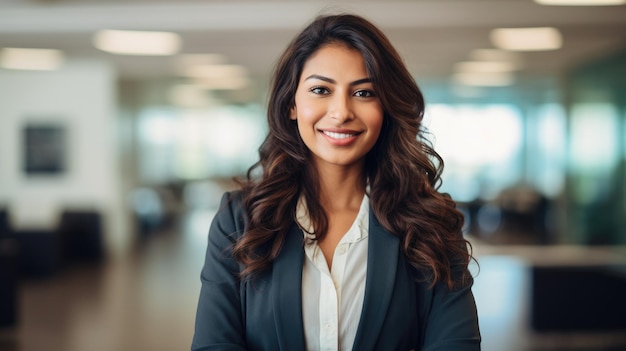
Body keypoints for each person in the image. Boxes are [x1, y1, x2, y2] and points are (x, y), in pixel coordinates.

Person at [191, 13, 481, 351]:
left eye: (363, 92)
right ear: (291, 104)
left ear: (386, 106)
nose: (341, 111)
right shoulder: (238, 219)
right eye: (320, 90)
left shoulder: (431, 221)